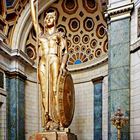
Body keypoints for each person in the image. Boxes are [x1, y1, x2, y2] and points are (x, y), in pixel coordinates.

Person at [30, 0, 68, 129]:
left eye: (51, 17)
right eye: (46, 18)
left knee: (55, 89)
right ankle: (48, 120)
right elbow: (34, 21)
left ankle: (58, 121)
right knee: (44, 91)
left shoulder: (59, 35)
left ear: (55, 20)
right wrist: (31, 3)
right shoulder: (41, 34)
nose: (48, 19)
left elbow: (65, 52)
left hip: (54, 59)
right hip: (43, 62)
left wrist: (63, 65)